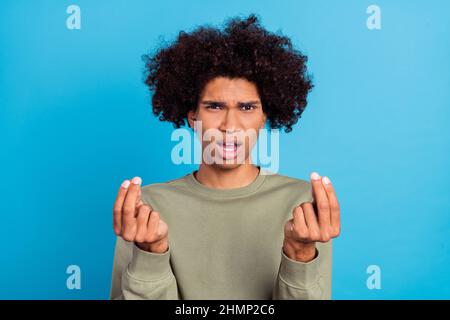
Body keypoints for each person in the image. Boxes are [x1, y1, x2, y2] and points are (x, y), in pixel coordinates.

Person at [109, 14, 341, 300]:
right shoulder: (145, 208)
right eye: (214, 106)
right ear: (192, 116)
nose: (230, 126)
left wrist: (300, 255)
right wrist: (151, 255)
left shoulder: (304, 207)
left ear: (264, 116)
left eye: (246, 107)